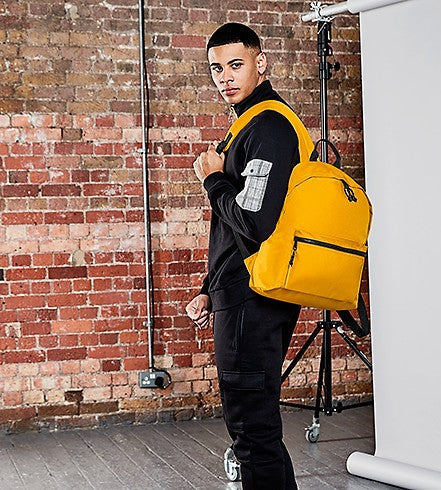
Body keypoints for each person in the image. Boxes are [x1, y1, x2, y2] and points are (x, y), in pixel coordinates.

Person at [186, 22, 303, 490]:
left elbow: (254, 222)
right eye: (217, 69)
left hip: (254, 295)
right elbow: (233, 231)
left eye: (236, 65)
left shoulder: (269, 127)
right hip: (240, 290)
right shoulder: (246, 126)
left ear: (261, 63)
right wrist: (209, 289)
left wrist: (213, 179)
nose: (225, 77)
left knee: (252, 430)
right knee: (255, 426)